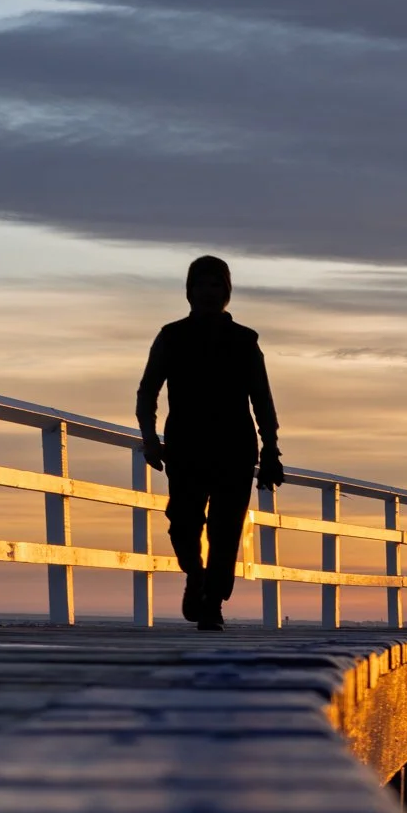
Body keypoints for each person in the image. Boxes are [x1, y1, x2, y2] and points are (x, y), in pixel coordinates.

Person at [137, 255, 282, 631]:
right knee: (182, 523)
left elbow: (262, 399)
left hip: (235, 446)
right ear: (189, 291)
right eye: (201, 284)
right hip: (186, 445)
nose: (208, 292)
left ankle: (213, 603)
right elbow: (147, 391)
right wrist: (150, 439)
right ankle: (195, 575)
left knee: (225, 529)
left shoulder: (245, 341)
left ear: (226, 292)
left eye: (216, 285)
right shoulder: (171, 336)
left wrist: (271, 448)